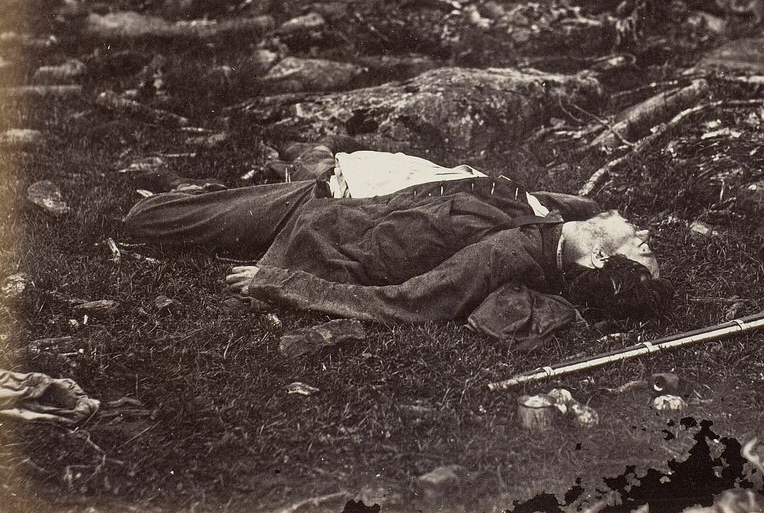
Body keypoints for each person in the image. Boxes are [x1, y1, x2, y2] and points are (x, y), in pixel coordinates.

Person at [123, 149, 671, 324]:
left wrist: (281, 283)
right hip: (362, 183)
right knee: (187, 210)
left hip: (316, 222)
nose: (644, 231)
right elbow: (573, 207)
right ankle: (204, 189)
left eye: (640, 246)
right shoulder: (562, 217)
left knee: (144, 220)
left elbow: (405, 304)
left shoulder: (511, 254)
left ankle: (190, 195)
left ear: (598, 258)